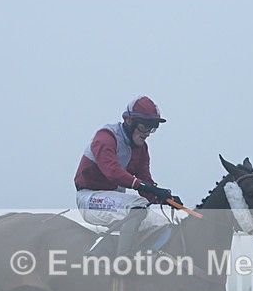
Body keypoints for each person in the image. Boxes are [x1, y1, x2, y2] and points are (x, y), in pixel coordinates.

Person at [74, 96, 180, 261]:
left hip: (116, 202)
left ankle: (144, 261)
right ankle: (122, 261)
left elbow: (146, 182)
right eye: (144, 127)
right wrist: (146, 187)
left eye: (152, 128)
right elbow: (113, 172)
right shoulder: (105, 138)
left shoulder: (141, 149)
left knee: (161, 225)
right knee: (137, 205)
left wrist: (164, 198)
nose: (147, 133)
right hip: (89, 199)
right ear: (129, 122)